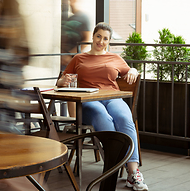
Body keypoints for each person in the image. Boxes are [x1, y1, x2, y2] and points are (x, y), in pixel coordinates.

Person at [57, 22, 148, 191]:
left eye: (105, 38)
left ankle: (133, 173)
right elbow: (61, 81)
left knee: (124, 118)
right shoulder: (78, 58)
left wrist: (134, 70)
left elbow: (130, 71)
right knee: (103, 118)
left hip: (112, 97)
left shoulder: (115, 58)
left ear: (109, 41)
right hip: (88, 101)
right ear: (92, 37)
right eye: (98, 36)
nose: (101, 41)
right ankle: (113, 168)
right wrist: (62, 81)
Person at [61, 0, 91, 117]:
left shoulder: (83, 17)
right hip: (64, 61)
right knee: (66, 91)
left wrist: (70, 55)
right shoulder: (67, 18)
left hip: (74, 60)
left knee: (73, 90)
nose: (67, 0)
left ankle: (75, 122)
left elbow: (86, 40)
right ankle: (72, 121)